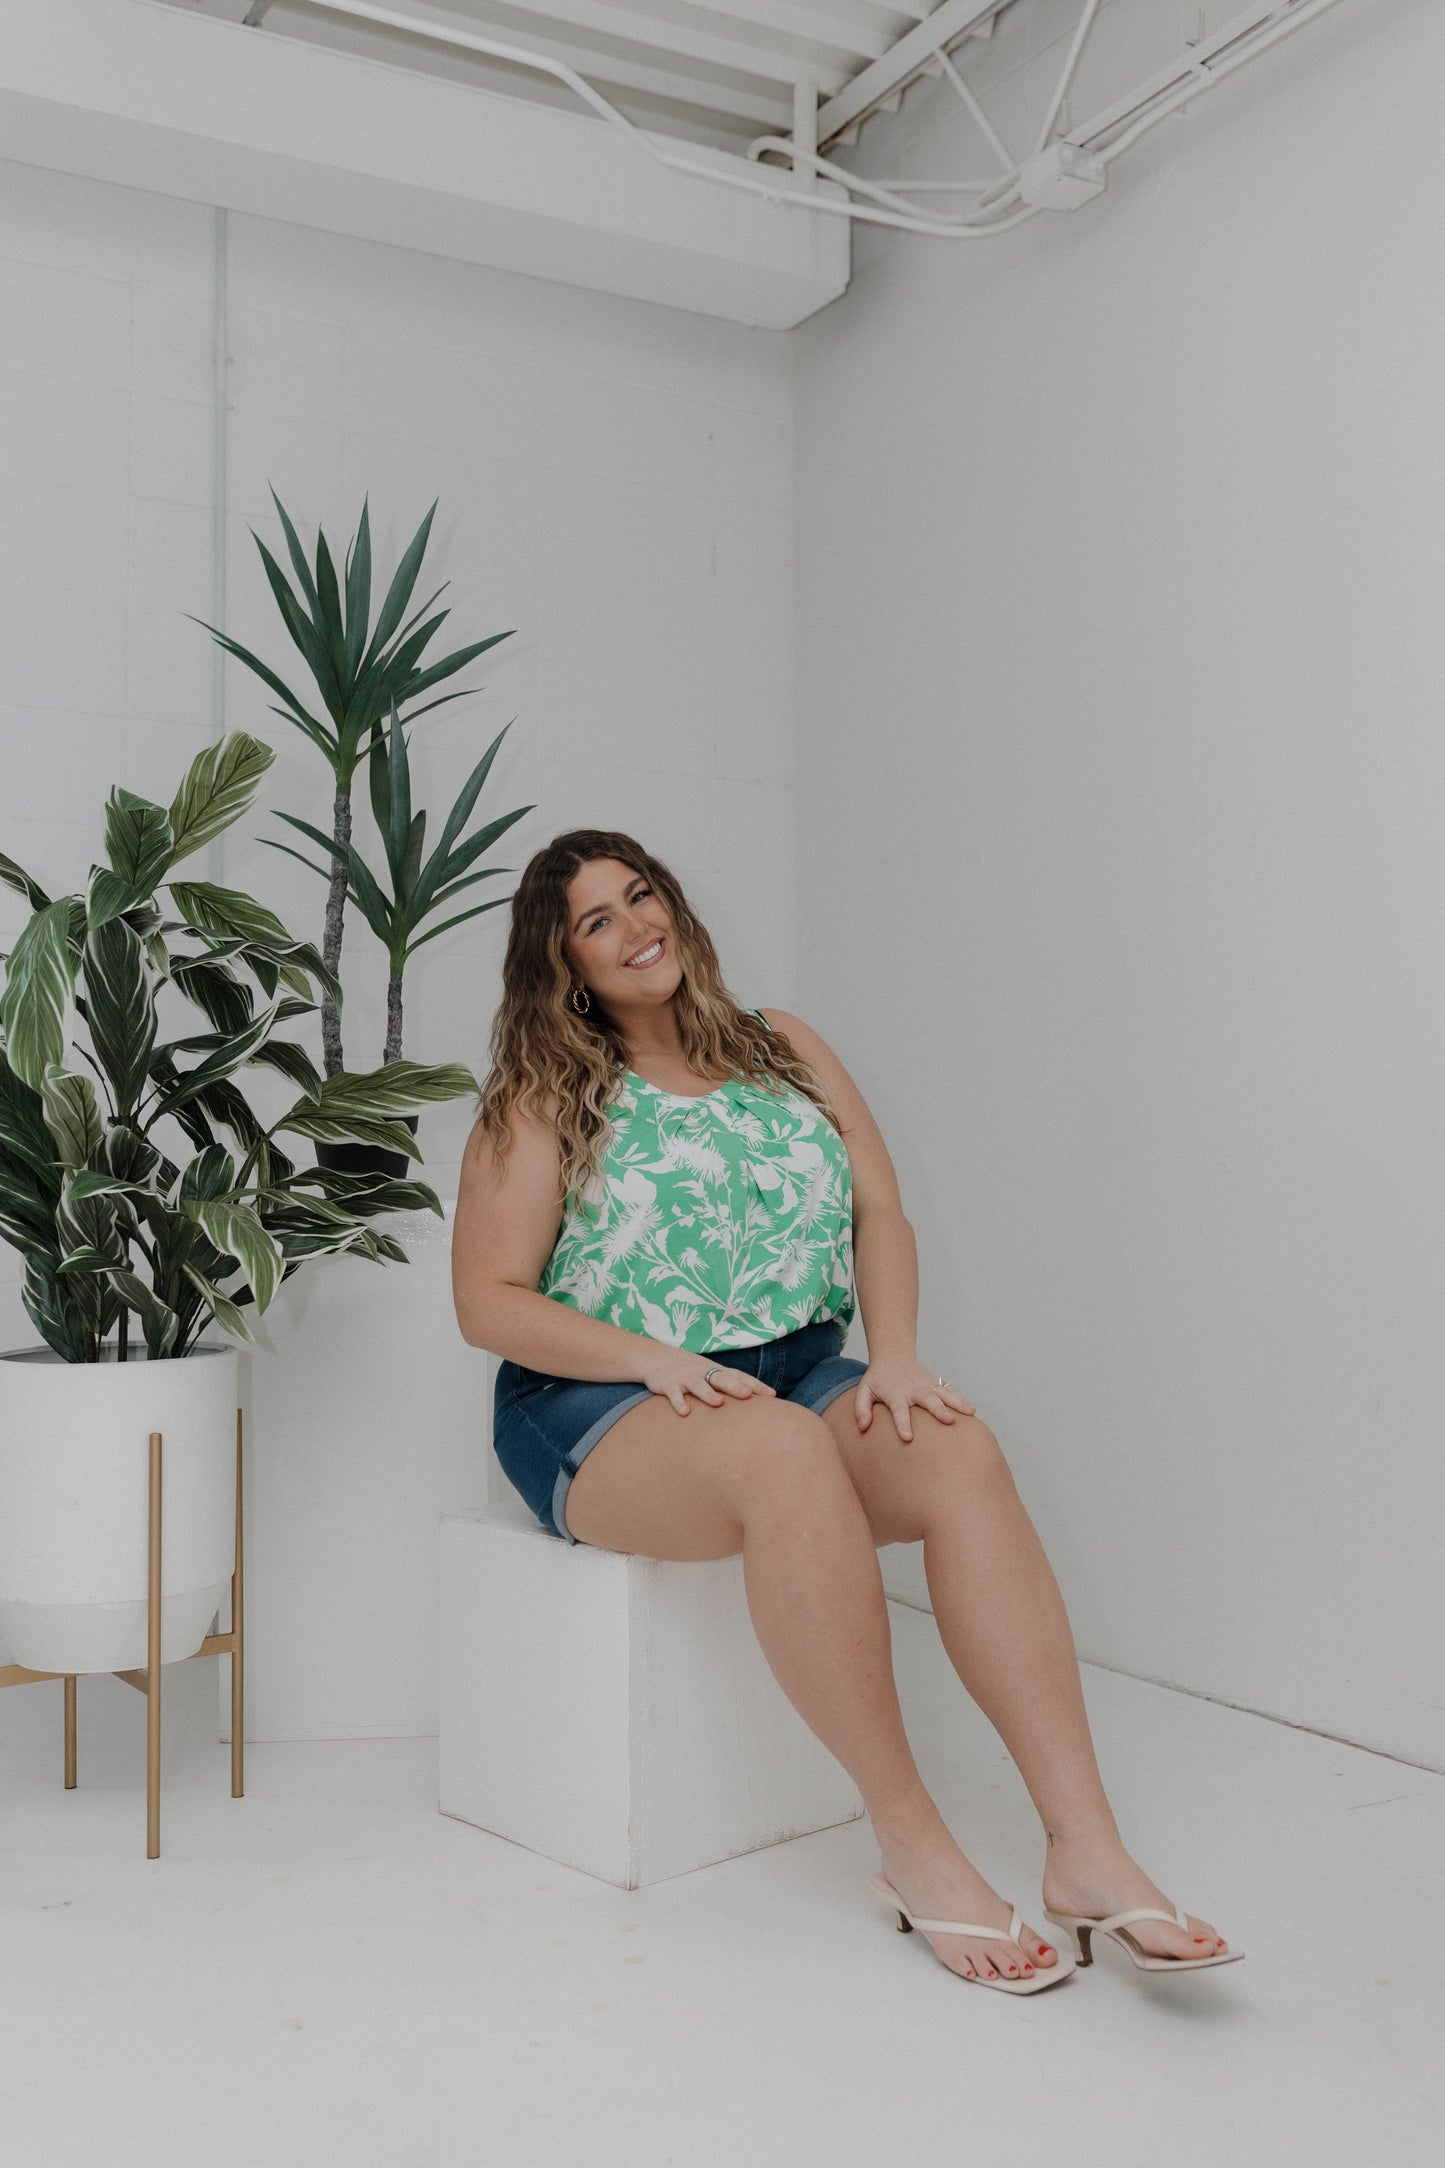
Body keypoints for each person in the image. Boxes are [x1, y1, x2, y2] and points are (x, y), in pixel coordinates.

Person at [452, 828, 1238, 1995]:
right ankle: (913, 1846)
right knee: (776, 1449)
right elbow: (486, 1301)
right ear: (561, 960)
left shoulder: (782, 1045)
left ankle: (1085, 1847)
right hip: (592, 1399)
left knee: (954, 1443)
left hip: (791, 1362)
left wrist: (898, 1357)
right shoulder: (543, 1091)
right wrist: (651, 1357)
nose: (633, 927)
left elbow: (878, 1208)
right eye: (594, 920)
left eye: (640, 894)